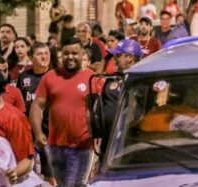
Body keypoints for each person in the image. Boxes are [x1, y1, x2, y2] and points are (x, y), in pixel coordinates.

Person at [30, 38, 103, 187]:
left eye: (75, 53)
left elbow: (100, 109)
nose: (70, 57)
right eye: (66, 53)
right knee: (63, 184)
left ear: (83, 54)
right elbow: (37, 106)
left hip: (82, 145)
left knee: (73, 184)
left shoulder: (92, 78)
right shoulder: (50, 77)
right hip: (55, 145)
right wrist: (38, 133)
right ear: (61, 54)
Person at [16, 42, 56, 185]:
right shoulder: (24, 77)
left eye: (46, 53)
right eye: (40, 54)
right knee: (28, 174)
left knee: (51, 173)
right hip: (28, 132)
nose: (44, 57)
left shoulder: (56, 75)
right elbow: (19, 104)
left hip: (50, 132)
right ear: (31, 58)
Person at [96, 40, 144, 156]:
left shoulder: (142, 81)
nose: (114, 59)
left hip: (131, 143)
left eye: (118, 56)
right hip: (108, 142)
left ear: (129, 57)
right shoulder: (112, 79)